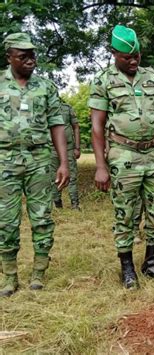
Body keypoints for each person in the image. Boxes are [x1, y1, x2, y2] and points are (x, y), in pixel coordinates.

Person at [88, 25, 154, 289]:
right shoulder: (103, 81)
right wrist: (101, 166)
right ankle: (127, 268)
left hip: (153, 154)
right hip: (122, 155)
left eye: (136, 56)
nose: (133, 61)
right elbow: (96, 127)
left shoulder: (151, 77)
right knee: (125, 213)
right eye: (127, 57)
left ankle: (151, 263)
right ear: (114, 54)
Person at [0, 33, 69, 297]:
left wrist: (63, 162)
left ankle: (38, 273)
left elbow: (57, 124)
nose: (30, 60)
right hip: (5, 160)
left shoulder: (46, 87)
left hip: (39, 160)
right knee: (6, 221)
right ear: (9, 57)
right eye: (23, 56)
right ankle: (9, 276)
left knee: (41, 218)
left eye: (33, 55)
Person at [51, 100, 81, 210]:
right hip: (51, 148)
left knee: (72, 177)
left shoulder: (67, 108)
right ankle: (57, 203)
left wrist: (77, 147)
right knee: (53, 178)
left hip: (68, 148)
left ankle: (75, 205)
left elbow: (76, 127)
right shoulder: (44, 108)